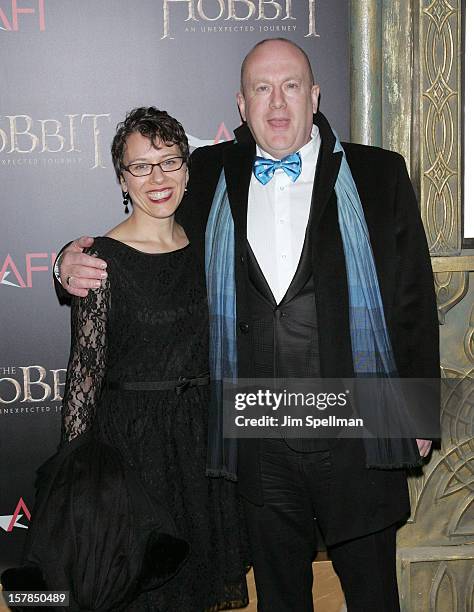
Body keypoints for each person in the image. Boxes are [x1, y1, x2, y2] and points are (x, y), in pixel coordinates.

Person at [56, 39, 439, 612]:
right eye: (262, 88)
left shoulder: (379, 172)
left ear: (315, 96)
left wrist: (417, 412)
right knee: (281, 596)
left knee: (373, 594)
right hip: (257, 432)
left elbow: (412, 300)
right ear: (241, 103)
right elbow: (143, 225)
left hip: (359, 426)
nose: (277, 103)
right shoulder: (207, 172)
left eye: (290, 87)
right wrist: (67, 259)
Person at [4, 107, 248, 612]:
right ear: (122, 177)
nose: (157, 178)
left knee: (194, 587)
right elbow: (85, 374)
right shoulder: (101, 261)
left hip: (201, 444)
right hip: (133, 449)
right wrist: (74, 471)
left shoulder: (207, 243)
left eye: (169, 162)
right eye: (141, 166)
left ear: (187, 168)